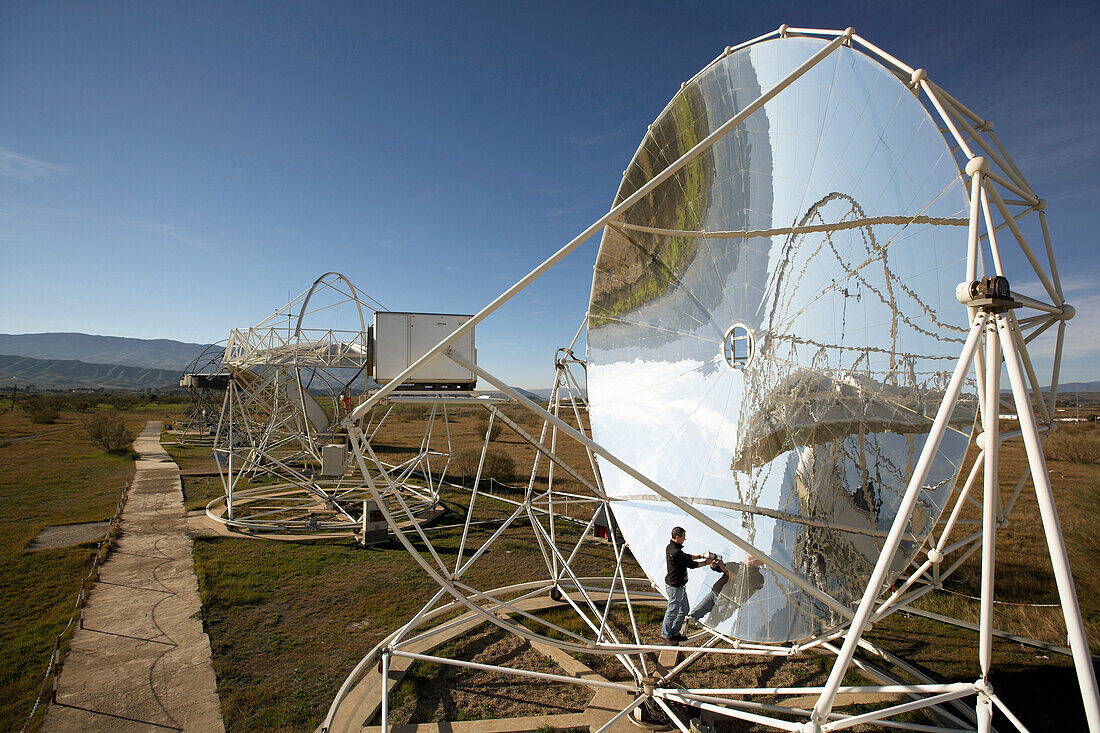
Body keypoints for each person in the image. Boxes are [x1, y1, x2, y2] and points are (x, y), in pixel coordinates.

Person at [661, 526, 707, 643]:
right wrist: (706, 563)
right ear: (678, 537)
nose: (684, 540)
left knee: (684, 609)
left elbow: (685, 556)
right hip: (675, 587)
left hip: (679, 586)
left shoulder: (671, 547)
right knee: (672, 611)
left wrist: (700, 556)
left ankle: (675, 632)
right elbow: (691, 564)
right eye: (683, 537)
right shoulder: (674, 552)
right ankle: (666, 634)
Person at [686, 555, 763, 624]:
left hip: (728, 599)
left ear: (758, 562)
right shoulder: (735, 565)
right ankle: (683, 629)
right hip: (715, 593)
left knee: (711, 622)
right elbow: (717, 568)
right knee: (695, 614)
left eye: (751, 558)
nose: (747, 559)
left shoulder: (757, 577)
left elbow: (738, 580)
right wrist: (714, 563)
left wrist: (724, 569)